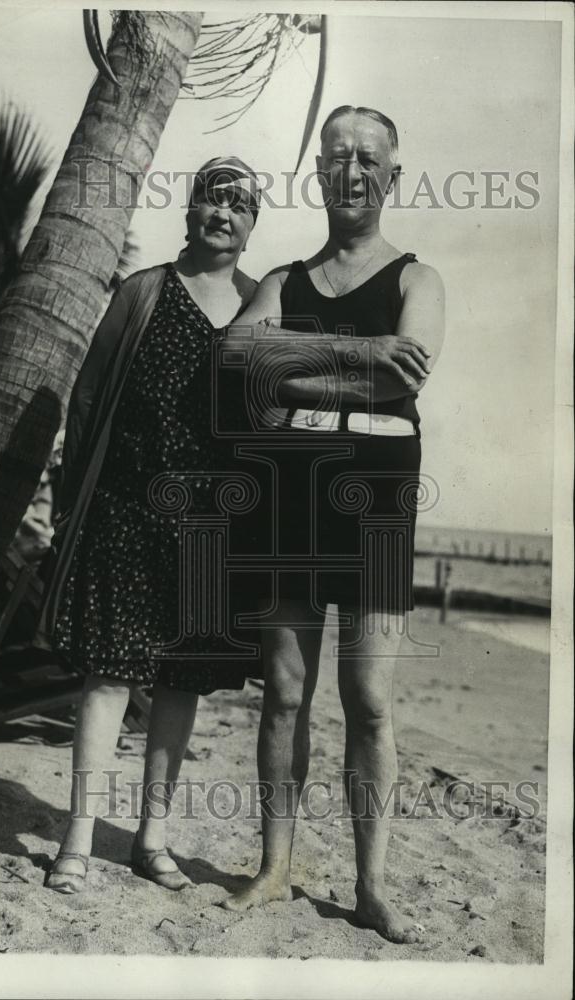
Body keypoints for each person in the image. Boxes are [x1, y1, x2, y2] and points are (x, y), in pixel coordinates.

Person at [219, 107, 445, 944]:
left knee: (369, 700)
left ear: (391, 174)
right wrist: (359, 358)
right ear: (316, 171)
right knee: (282, 694)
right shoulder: (282, 280)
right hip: (291, 486)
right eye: (334, 156)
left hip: (379, 494)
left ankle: (370, 884)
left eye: (367, 158)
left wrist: (292, 372)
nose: (349, 170)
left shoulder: (418, 280)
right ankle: (275, 869)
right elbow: (236, 360)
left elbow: (404, 380)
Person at [40, 157, 261, 894]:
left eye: (238, 205)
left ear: (251, 223)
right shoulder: (143, 292)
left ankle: (152, 841)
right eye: (210, 201)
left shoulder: (263, 305)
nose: (221, 214)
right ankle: (75, 840)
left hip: (211, 529)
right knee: (107, 679)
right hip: (126, 512)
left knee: (180, 685)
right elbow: (88, 396)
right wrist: (73, 503)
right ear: (190, 211)